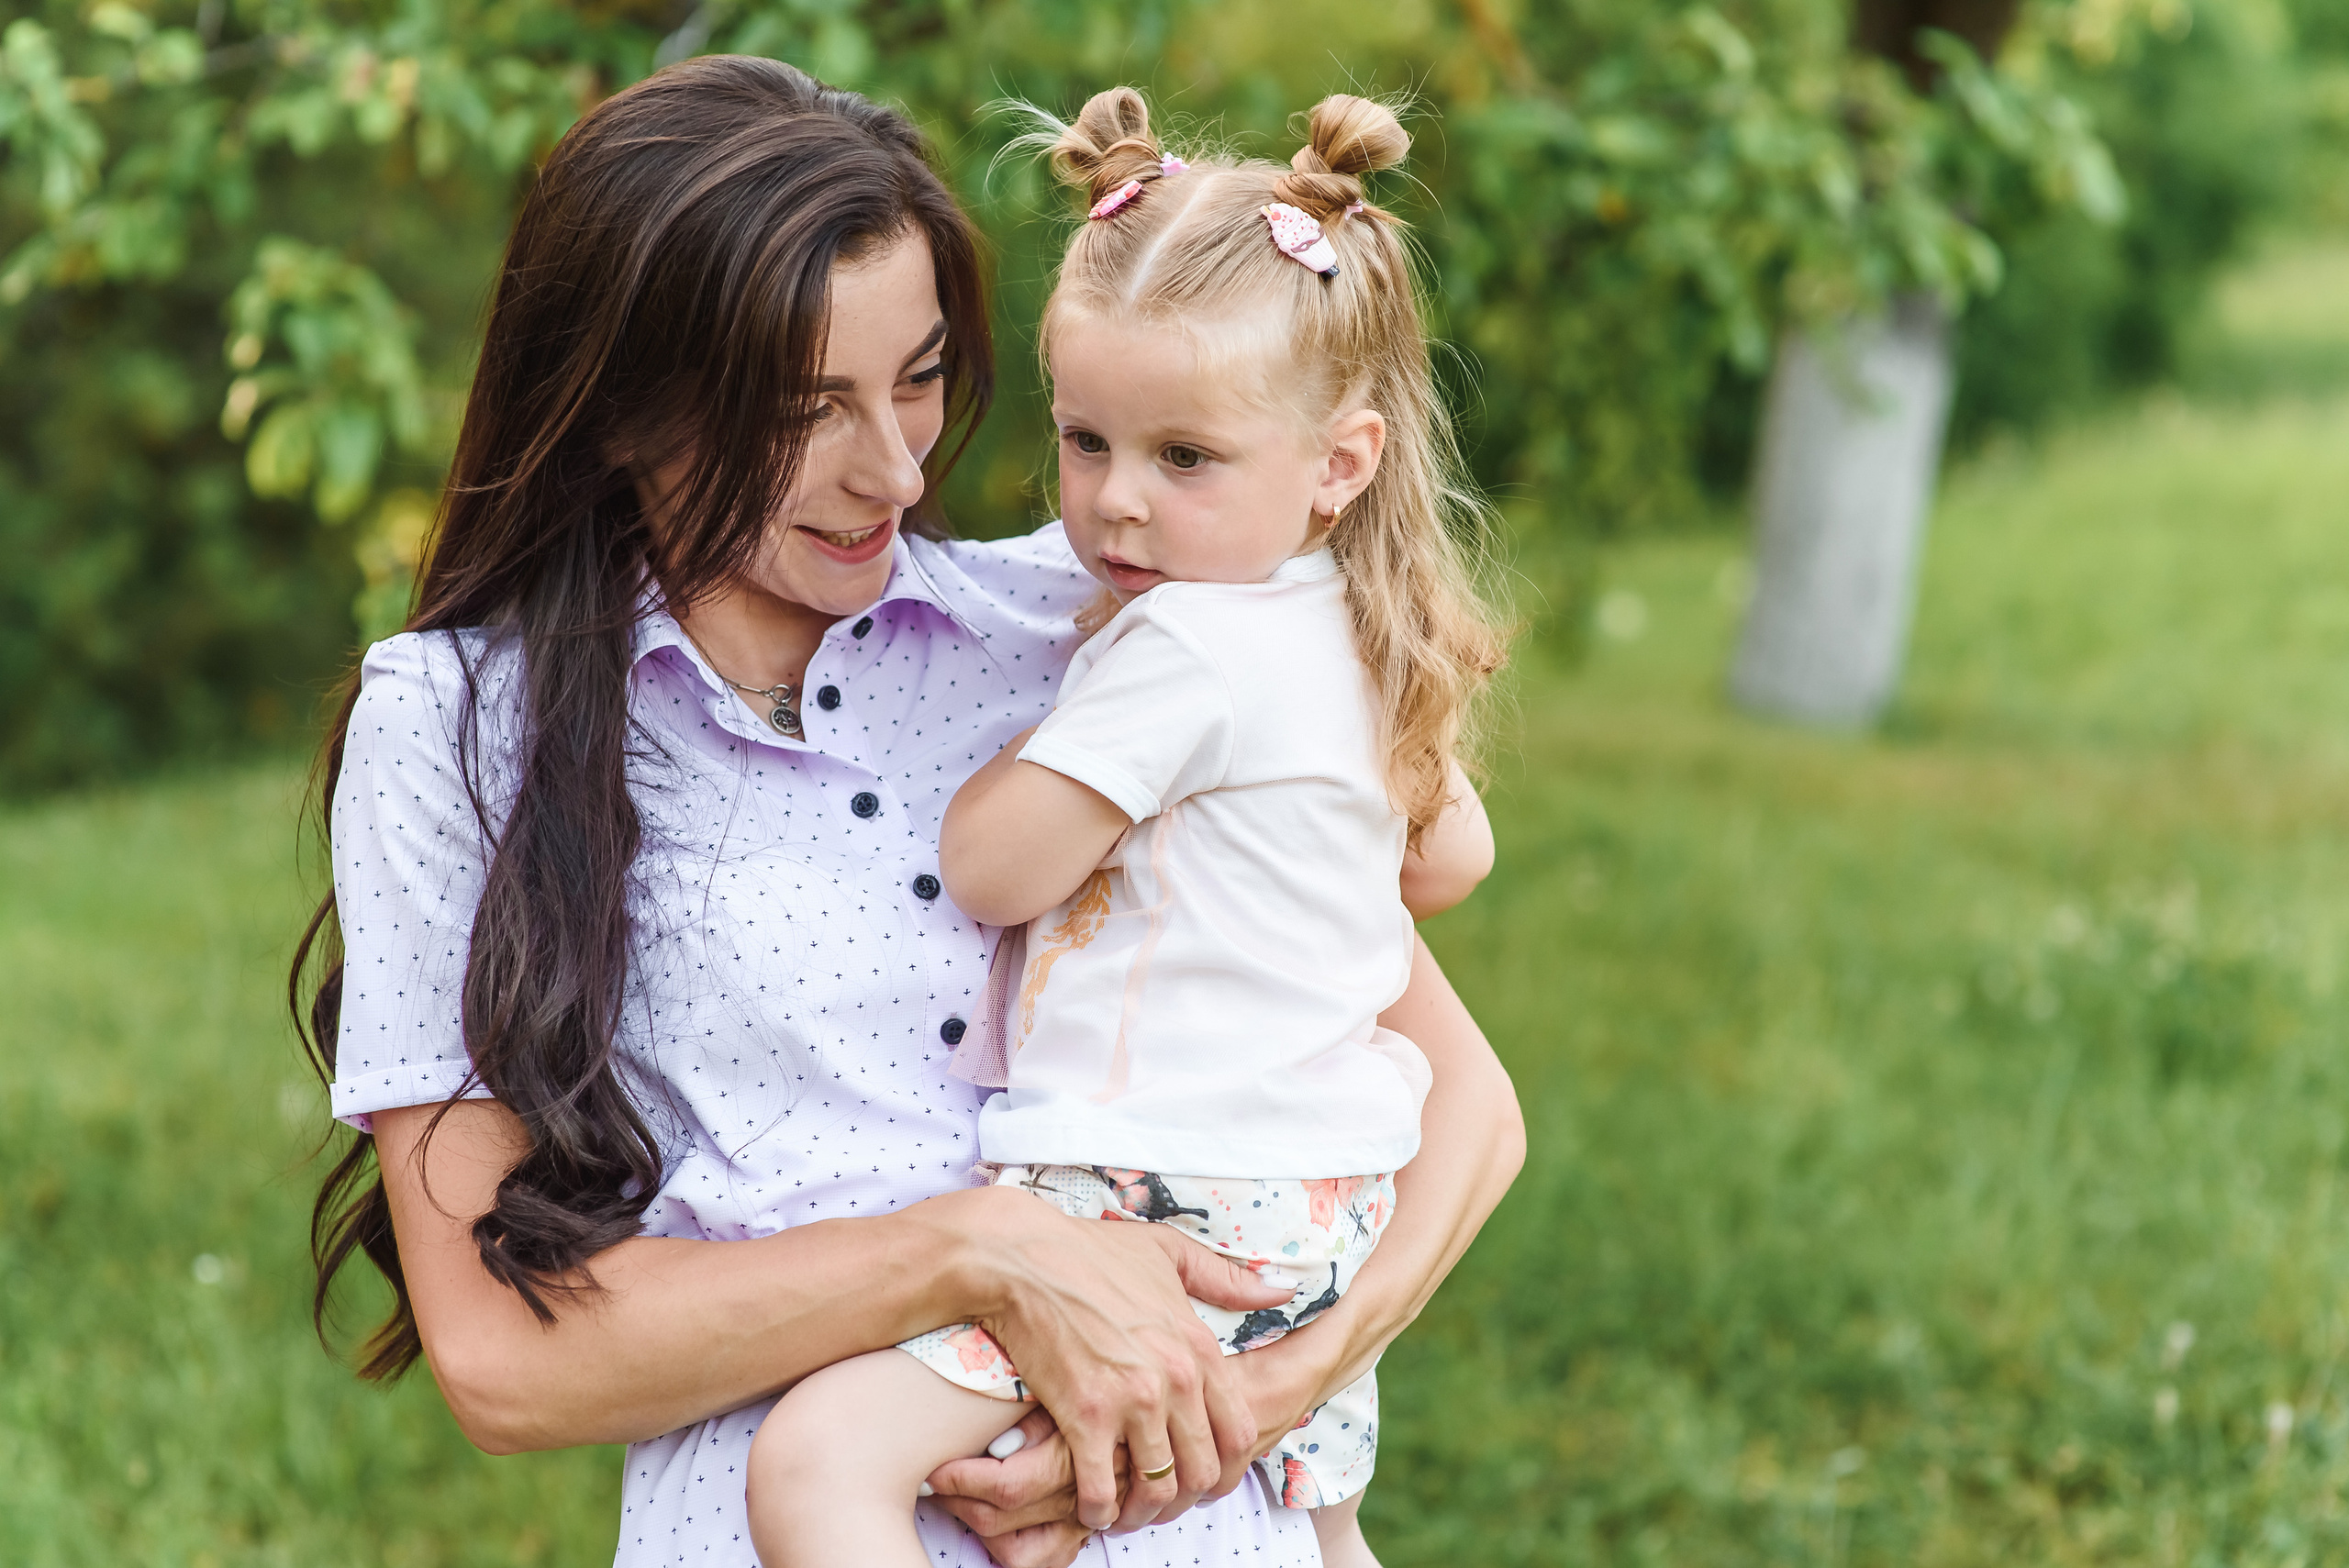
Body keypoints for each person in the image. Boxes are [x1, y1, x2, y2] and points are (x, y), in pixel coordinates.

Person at [293, 54, 1524, 1568]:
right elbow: (500, 1358)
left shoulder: (1110, 636)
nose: (894, 466)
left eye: (923, 377)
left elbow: (1464, 1099)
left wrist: (1281, 1382)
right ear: (621, 411)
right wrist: (991, 1254)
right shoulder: (464, 724)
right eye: (804, 411)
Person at [741, 86, 1507, 1568]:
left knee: (820, 1464)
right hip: (1324, 1205)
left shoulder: (1177, 652)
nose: (1117, 509)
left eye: (1185, 459)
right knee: (1323, 1526)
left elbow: (991, 864)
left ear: (1338, 465)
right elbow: (1451, 860)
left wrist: (1036, 737)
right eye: (1086, 442)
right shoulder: (1364, 630)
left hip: (1143, 1182)